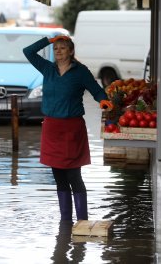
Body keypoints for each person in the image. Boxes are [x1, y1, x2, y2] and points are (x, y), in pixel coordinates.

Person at [23, 35, 113, 224]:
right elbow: (28, 52)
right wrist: (48, 40)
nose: (58, 51)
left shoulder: (80, 71)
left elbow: (96, 90)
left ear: (71, 51)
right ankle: (65, 222)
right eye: (56, 48)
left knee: (74, 175)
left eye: (63, 48)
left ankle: (82, 220)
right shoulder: (47, 68)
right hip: (51, 128)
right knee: (59, 176)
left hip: (72, 129)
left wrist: (103, 100)